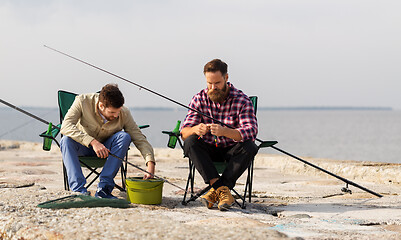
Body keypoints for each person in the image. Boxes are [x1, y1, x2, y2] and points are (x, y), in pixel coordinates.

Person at [181, 59, 258, 211]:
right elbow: (184, 132)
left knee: (250, 146)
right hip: (208, 151)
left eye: (217, 83)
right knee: (190, 141)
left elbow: (251, 131)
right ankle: (222, 190)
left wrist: (225, 132)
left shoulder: (242, 100)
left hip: (231, 151)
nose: (213, 87)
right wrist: (196, 129)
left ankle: (215, 191)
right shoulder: (199, 99)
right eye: (209, 83)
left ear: (226, 78)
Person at [60, 83, 156, 199]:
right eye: (112, 112)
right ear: (101, 106)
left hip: (107, 151)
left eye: (118, 112)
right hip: (82, 147)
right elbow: (65, 126)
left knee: (124, 136)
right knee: (65, 140)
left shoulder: (124, 112)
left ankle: (104, 189)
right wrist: (93, 142)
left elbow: (139, 138)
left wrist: (150, 163)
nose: (116, 115)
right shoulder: (82, 101)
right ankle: (79, 191)